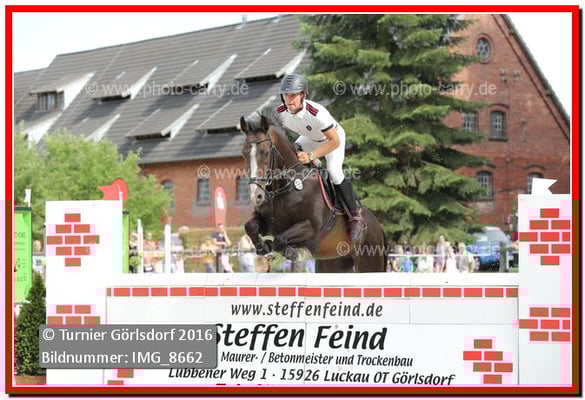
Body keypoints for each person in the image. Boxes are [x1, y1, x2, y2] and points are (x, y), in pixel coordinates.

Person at [277, 73, 366, 246]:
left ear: (303, 95)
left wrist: (312, 156)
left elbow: (334, 141)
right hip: (309, 139)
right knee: (292, 158)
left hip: (332, 139)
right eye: (286, 95)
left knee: (334, 172)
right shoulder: (280, 112)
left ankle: (355, 215)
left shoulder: (317, 113)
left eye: (293, 95)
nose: (289, 100)